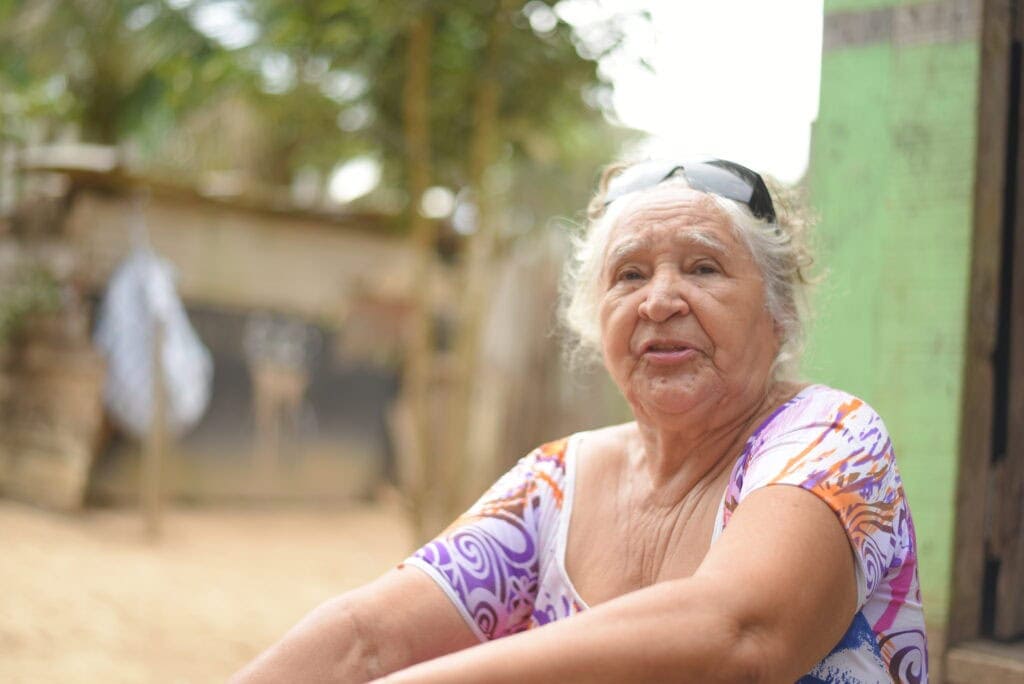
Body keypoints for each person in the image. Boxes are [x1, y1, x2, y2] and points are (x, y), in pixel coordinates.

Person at [231, 159, 928, 683]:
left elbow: (739, 634)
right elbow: (367, 636)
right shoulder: (555, 483)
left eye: (703, 268)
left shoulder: (831, 437)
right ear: (596, 321)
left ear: (778, 313)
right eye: (629, 275)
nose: (659, 301)